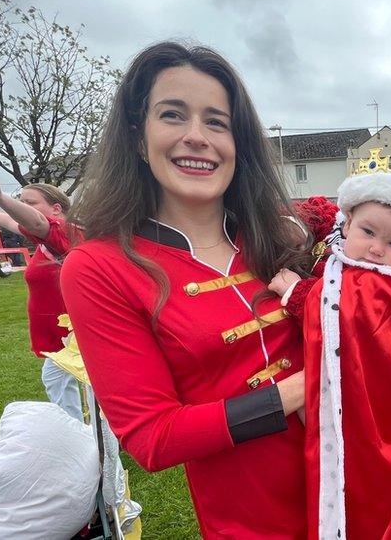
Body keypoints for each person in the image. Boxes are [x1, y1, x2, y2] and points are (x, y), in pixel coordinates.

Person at [58, 41, 310, 538]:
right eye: (173, 115)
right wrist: (303, 389)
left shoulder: (275, 237)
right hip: (252, 514)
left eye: (216, 122)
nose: (197, 137)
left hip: (354, 479)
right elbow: (153, 437)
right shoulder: (98, 267)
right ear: (137, 137)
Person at [269, 148, 391, 539]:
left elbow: (350, 312)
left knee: (364, 490)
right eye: (368, 232)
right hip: (314, 399)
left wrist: (297, 294)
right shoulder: (337, 259)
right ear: (346, 225)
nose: (378, 249)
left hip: (370, 415)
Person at [0, 180, 82, 419]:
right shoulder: (47, 238)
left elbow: (36, 221)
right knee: (60, 380)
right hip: (62, 333)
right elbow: (12, 222)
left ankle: (90, 437)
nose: (21, 207)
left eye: (29, 203)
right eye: (21, 201)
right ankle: (80, 431)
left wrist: (1, 196)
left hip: (74, 333)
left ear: (56, 208)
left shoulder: (61, 232)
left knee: (82, 386)